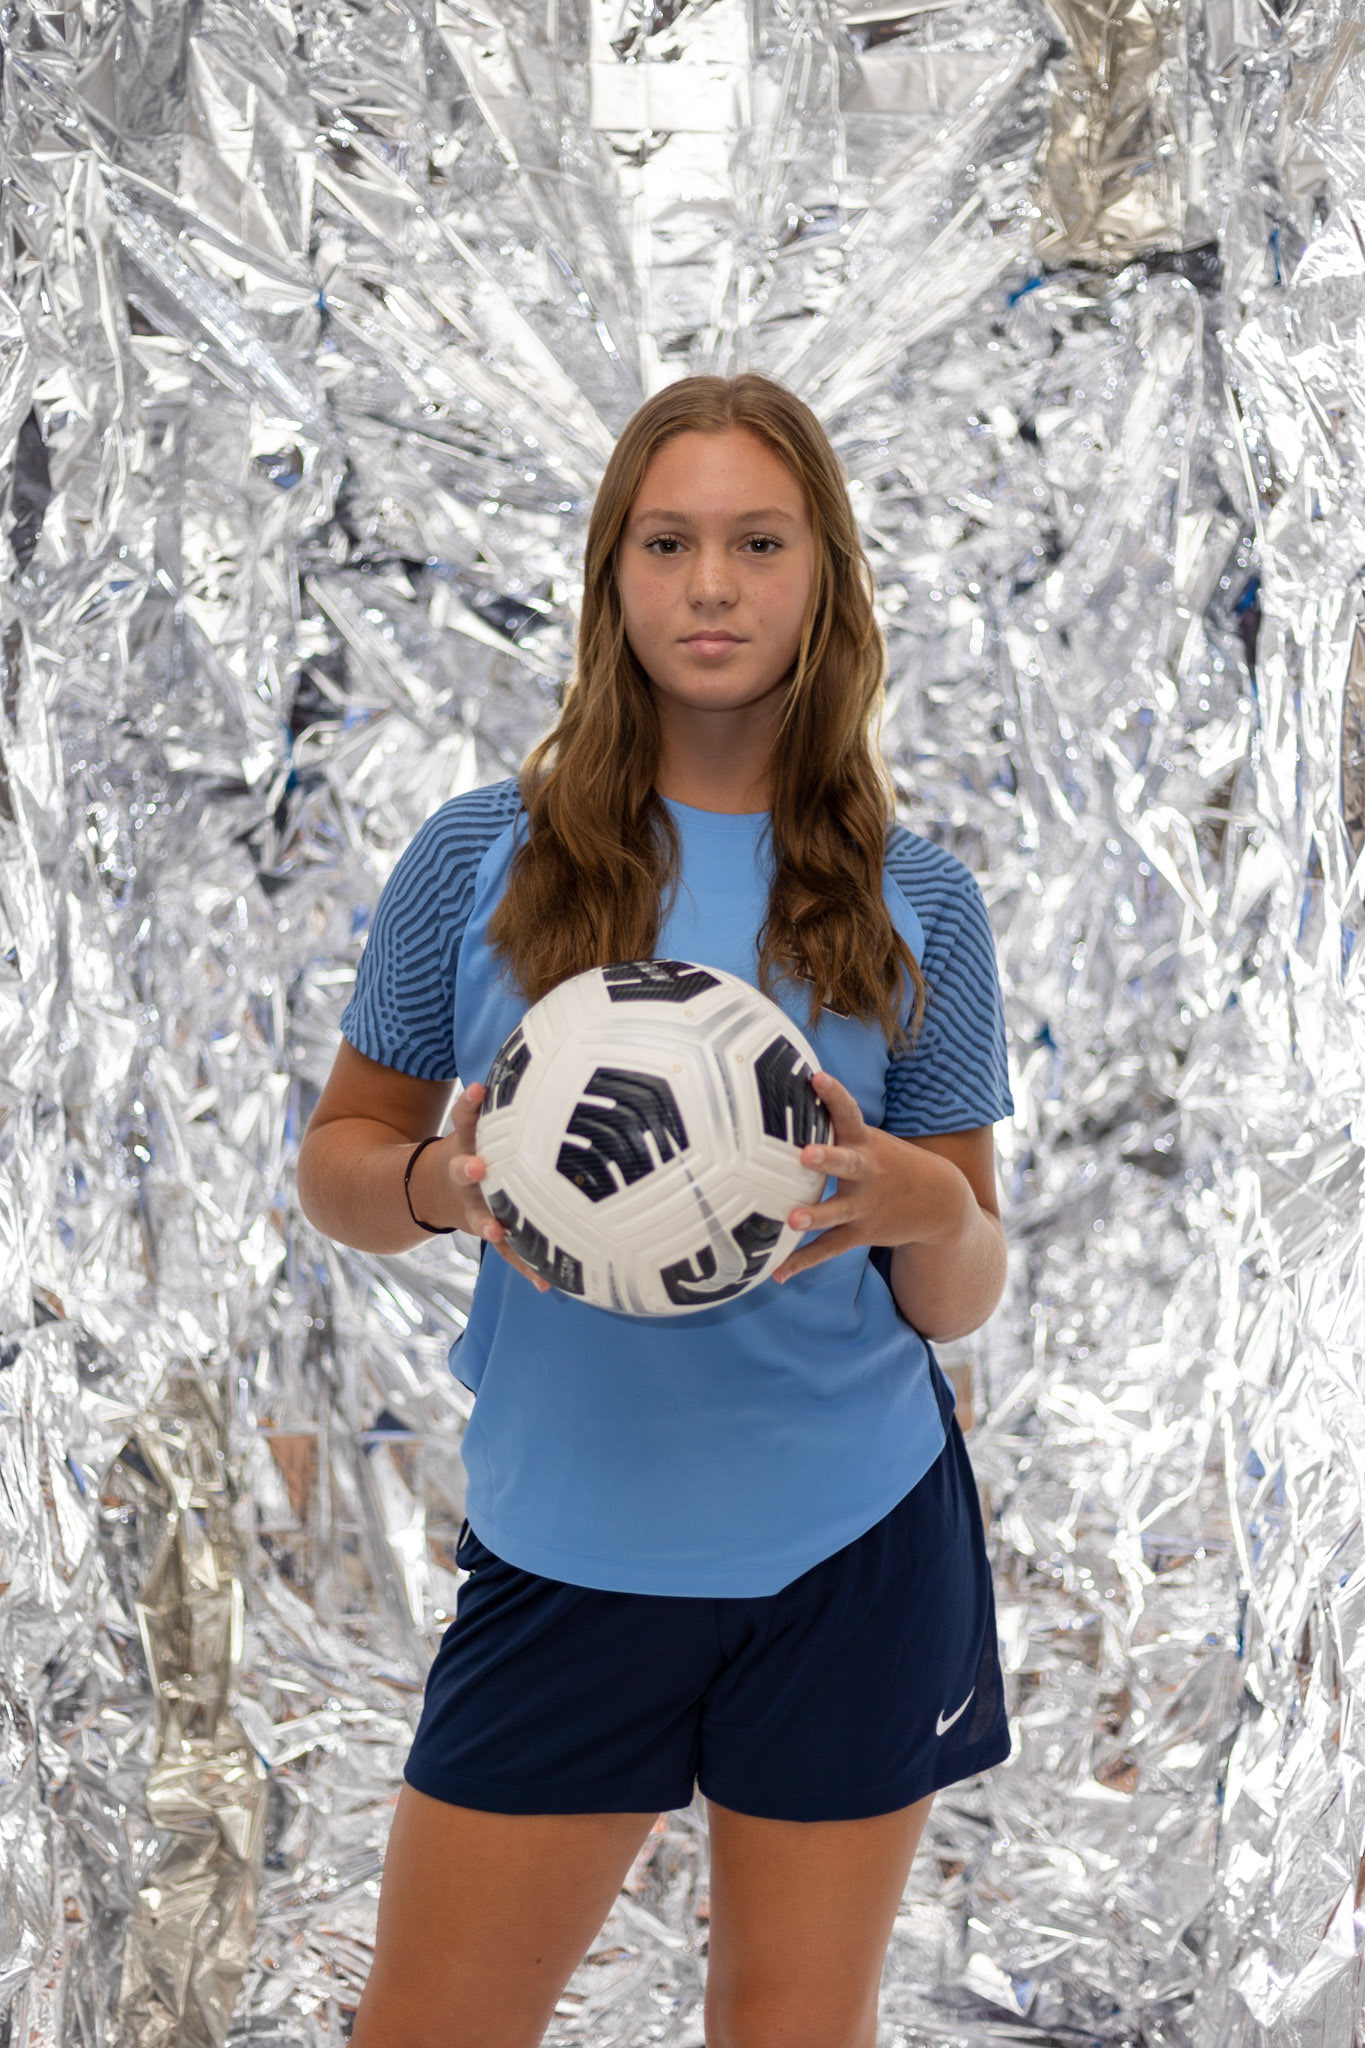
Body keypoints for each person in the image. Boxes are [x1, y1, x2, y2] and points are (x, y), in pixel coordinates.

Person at [296, 371, 1015, 2048]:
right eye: (668, 541)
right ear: (610, 573)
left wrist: (919, 1198)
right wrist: (434, 1185)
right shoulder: (482, 856)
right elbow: (339, 1157)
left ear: (822, 574)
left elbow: (961, 1285)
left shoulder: (916, 897)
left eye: (758, 543)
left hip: (853, 1544)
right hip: (570, 1548)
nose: (711, 586)